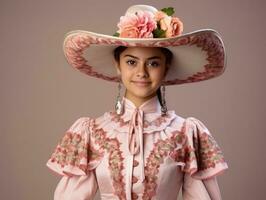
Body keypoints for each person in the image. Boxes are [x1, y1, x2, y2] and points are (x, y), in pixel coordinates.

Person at [46, 4, 228, 200]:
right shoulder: (92, 133)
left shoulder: (186, 133)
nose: (141, 72)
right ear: (118, 65)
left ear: (166, 68)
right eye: (131, 62)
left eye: (153, 63)